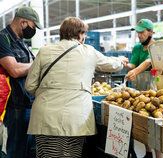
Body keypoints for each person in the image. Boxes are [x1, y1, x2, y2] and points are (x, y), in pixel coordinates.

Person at [25, 17, 128, 157]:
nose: (84, 37)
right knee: (70, 153)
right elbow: (112, 65)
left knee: (46, 154)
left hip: (45, 116)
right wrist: (121, 61)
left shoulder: (44, 51)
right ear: (79, 34)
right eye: (84, 34)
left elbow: (30, 85)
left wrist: (47, 93)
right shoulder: (89, 52)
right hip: (75, 118)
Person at [0, 6, 43, 158]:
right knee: (16, 150)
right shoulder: (3, 39)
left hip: (27, 102)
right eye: (33, 26)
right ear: (23, 22)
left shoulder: (21, 42)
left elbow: (28, 66)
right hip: (14, 105)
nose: (34, 31)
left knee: (27, 149)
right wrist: (40, 63)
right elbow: (14, 70)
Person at [125, 19, 161, 158]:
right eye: (138, 32)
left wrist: (135, 72)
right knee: (142, 122)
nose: (139, 35)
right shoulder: (137, 48)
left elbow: (148, 62)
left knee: (155, 124)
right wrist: (126, 64)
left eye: (142, 32)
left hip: (154, 91)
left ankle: (158, 155)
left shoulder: (157, 47)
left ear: (151, 32)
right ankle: (147, 152)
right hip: (139, 90)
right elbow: (133, 65)